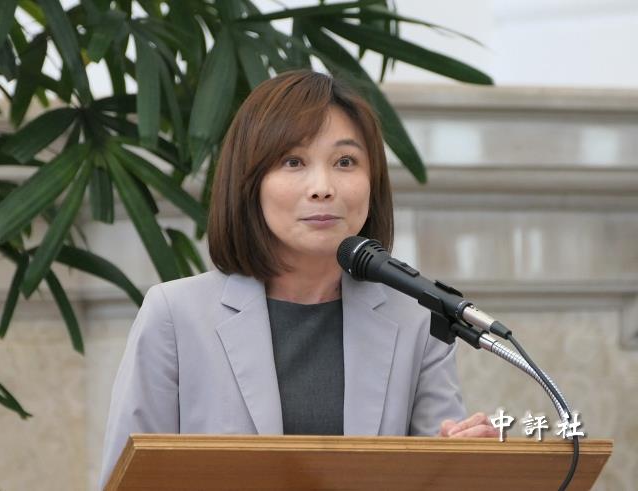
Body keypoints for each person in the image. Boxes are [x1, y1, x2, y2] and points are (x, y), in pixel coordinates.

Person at [99, 70, 497, 488]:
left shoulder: (418, 319)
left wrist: (461, 462)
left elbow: (437, 470)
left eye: (345, 162)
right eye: (293, 162)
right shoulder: (175, 315)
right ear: (249, 182)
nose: (322, 188)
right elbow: (126, 480)